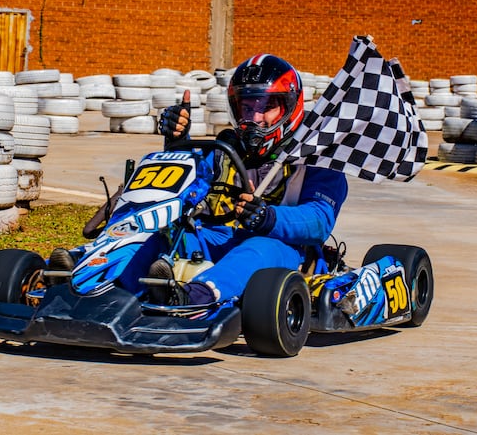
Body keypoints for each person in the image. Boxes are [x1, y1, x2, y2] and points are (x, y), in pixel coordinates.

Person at [149, 54, 348, 305]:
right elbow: (189, 192)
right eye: (248, 107)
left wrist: (268, 217)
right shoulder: (225, 149)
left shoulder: (317, 157)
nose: (255, 118)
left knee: (259, 248)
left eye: (266, 108)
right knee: (165, 236)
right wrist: (177, 145)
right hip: (219, 239)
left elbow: (319, 220)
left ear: (289, 107)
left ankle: (193, 299)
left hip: (286, 251)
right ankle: (110, 285)